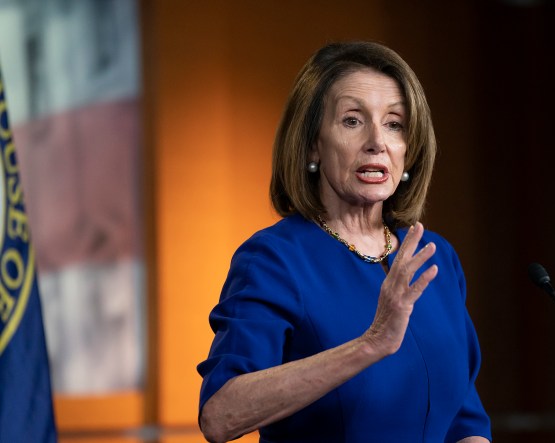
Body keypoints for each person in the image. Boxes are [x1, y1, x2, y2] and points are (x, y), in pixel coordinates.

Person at [197, 41, 492, 443]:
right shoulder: (274, 260)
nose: (377, 142)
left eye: (395, 124)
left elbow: (465, 419)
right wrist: (371, 344)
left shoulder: (434, 259)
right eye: (353, 121)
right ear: (313, 144)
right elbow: (221, 415)